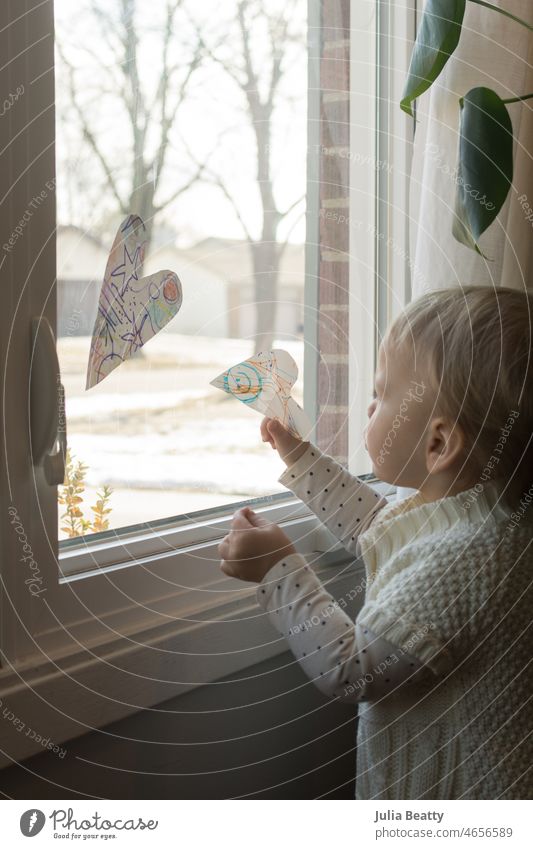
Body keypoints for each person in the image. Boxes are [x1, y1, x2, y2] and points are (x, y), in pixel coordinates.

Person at [218, 285, 533, 800]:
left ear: (438, 443)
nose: (370, 405)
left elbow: (353, 669)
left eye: (384, 393)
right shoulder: (480, 520)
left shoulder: (473, 559)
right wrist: (303, 462)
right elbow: (385, 532)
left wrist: (279, 571)